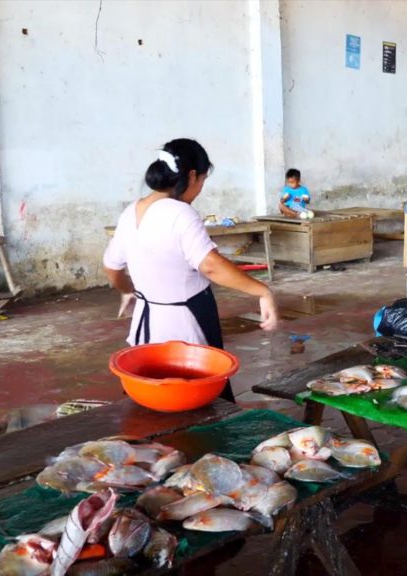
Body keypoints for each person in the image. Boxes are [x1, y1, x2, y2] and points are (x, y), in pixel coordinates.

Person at [103, 138, 279, 402]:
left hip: (147, 319)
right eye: (203, 181)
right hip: (185, 322)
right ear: (192, 175)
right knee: (197, 395)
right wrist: (262, 291)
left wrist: (128, 291)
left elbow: (111, 266)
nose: (199, 190)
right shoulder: (180, 213)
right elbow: (210, 266)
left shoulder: (131, 211)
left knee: (153, 393)